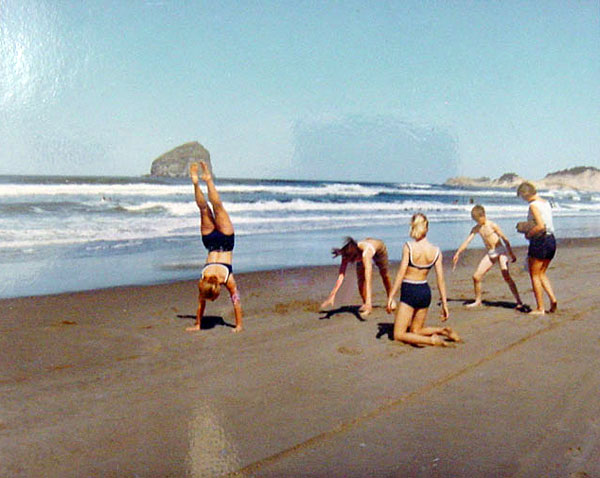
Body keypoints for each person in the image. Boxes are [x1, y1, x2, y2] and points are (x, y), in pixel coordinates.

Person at [386, 213, 460, 346]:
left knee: (398, 335)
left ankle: (431, 340)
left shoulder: (409, 246)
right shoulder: (436, 251)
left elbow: (401, 273)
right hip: (425, 292)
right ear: (427, 228)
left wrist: (391, 296)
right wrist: (444, 304)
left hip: (410, 290)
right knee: (416, 330)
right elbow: (440, 280)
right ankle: (443, 331)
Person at [186, 162, 243, 332]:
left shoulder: (228, 280)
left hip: (225, 241)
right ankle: (198, 182)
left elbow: (236, 302)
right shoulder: (203, 279)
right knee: (205, 209)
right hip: (210, 242)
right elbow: (201, 304)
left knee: (216, 209)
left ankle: (206, 180)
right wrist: (197, 323)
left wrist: (239, 325)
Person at [452, 205, 524, 310]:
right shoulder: (477, 228)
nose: (477, 222)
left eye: (478, 219)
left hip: (500, 251)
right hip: (491, 253)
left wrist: (511, 253)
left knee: (506, 275)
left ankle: (519, 301)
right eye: (475, 220)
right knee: (476, 276)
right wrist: (458, 253)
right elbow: (467, 241)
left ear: (483, 215)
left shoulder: (492, 225)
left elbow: (505, 239)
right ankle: (478, 300)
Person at [321, 237, 395, 317]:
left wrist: (369, 302)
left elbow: (368, 278)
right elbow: (341, 275)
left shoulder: (366, 253)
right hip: (360, 252)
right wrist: (332, 295)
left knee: (384, 274)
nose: (349, 262)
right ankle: (365, 303)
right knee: (360, 280)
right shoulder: (346, 254)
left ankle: (390, 299)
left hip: (379, 250)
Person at [516, 181, 558, 315]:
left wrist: (529, 234)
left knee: (534, 274)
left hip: (541, 241)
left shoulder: (533, 205)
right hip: (551, 240)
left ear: (525, 194)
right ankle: (552, 299)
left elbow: (540, 226)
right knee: (542, 273)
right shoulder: (545, 203)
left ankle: (540, 308)